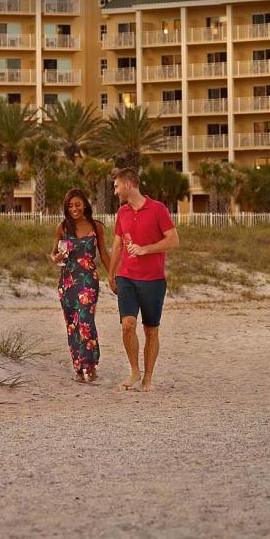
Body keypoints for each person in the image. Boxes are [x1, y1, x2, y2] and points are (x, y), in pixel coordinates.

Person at [107, 166, 179, 391]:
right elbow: (117, 246)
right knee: (128, 325)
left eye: (117, 186)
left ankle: (148, 377)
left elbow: (173, 240)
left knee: (151, 330)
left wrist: (146, 249)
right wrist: (111, 275)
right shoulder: (122, 213)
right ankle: (135, 371)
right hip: (126, 277)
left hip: (153, 279)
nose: (115, 191)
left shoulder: (158, 209)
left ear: (128, 184)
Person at [49, 188, 109, 383]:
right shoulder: (63, 227)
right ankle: (78, 366)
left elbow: (105, 254)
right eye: (70, 205)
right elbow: (53, 255)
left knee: (86, 320)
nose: (74, 208)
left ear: (85, 204)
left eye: (77, 204)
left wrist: (114, 277)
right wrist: (56, 257)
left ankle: (90, 365)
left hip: (88, 280)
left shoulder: (96, 226)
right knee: (72, 324)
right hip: (67, 282)